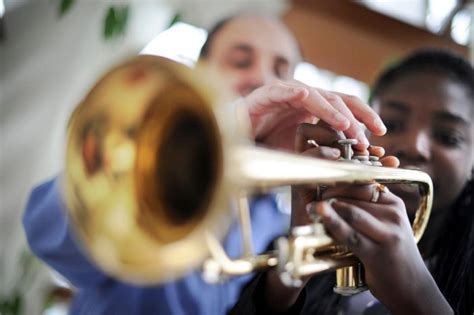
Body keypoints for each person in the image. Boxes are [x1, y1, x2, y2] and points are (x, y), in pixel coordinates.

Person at [23, 15, 386, 315]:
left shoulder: (283, 213)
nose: (261, 78)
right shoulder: (146, 157)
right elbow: (44, 233)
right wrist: (229, 126)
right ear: (201, 73)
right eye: (240, 61)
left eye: (281, 69)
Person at [230, 48, 473, 314]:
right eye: (391, 124)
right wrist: (290, 275)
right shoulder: (303, 236)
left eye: (449, 137)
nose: (415, 146)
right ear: (363, 129)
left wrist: (418, 294)